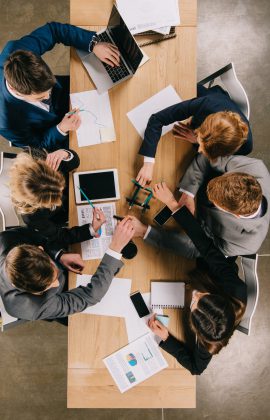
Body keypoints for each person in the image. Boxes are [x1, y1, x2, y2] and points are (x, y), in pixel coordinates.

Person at [130, 206, 247, 375]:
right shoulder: (236, 289)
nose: (194, 294)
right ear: (218, 298)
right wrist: (174, 206)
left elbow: (196, 368)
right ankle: (145, 232)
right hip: (216, 262)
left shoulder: (208, 342)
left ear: (197, 330)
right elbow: (207, 248)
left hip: (200, 274)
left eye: (193, 302)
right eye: (201, 296)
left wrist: (166, 338)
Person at [0, 22, 120, 150]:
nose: (48, 96)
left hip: (71, 89)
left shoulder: (17, 53)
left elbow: (54, 31)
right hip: (59, 132)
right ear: (15, 89)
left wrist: (93, 44)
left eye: (49, 90)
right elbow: (37, 147)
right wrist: (61, 128)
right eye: (40, 97)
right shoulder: (6, 123)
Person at [0, 217, 134, 321]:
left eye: (53, 269)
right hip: (56, 306)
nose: (57, 283)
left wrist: (60, 255)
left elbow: (39, 238)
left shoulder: (6, 238)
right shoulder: (34, 308)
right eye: (48, 285)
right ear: (34, 293)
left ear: (39, 249)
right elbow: (89, 296)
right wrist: (115, 249)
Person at [136, 85, 252, 186]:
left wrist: (196, 141)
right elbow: (157, 119)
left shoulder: (245, 148)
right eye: (200, 140)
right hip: (208, 96)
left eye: (202, 147)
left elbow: (217, 162)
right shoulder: (206, 104)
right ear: (202, 125)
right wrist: (148, 163)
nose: (200, 149)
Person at [9, 148, 105, 246]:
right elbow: (59, 237)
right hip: (68, 215)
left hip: (79, 184)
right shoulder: (32, 217)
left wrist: (65, 154)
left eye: (60, 186)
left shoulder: (39, 157)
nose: (60, 199)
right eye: (54, 201)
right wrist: (91, 229)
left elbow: (73, 163)